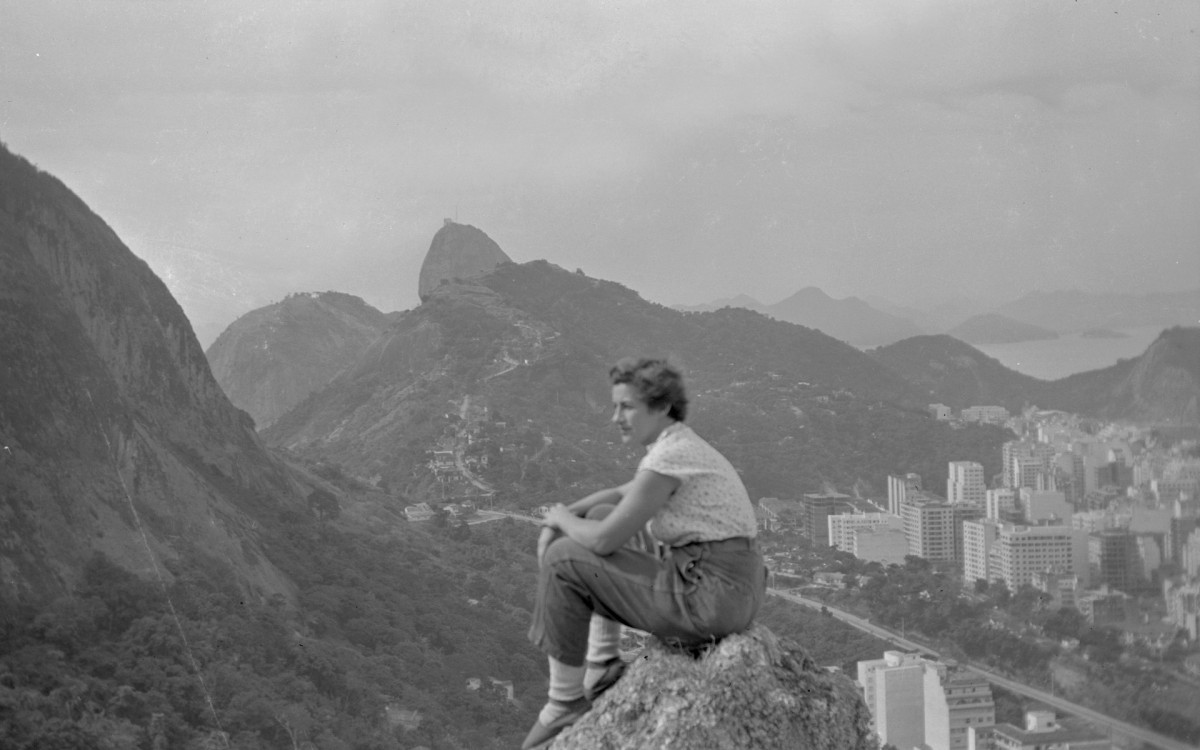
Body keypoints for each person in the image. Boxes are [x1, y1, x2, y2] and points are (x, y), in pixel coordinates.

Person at [523, 357, 766, 749]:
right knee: (601, 514)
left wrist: (561, 522)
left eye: (627, 406)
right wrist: (565, 513)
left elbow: (602, 541)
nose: (615, 416)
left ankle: (563, 703)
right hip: (727, 588)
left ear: (662, 407)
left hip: (709, 596)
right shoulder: (679, 446)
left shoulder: (669, 456)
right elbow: (620, 497)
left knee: (564, 558)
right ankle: (602, 665)